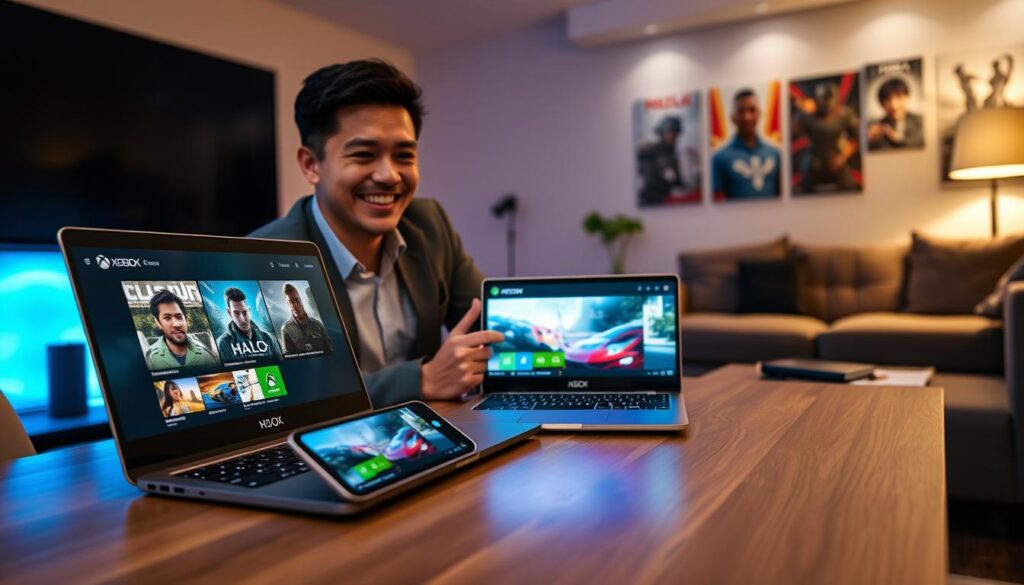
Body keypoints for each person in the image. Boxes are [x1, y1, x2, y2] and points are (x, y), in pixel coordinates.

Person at [250, 59, 503, 407]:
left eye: (404, 156)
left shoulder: (429, 223)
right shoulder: (266, 257)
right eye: (364, 155)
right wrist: (422, 379)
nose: (389, 176)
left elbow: (490, 323)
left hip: (432, 438)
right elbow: (292, 390)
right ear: (311, 165)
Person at [712, 89, 781, 200]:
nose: (747, 117)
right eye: (741, 111)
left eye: (752, 110)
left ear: (759, 114)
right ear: (733, 117)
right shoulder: (719, 158)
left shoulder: (775, 154)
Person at [792, 82, 860, 193]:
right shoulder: (808, 115)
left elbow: (858, 137)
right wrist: (800, 111)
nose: (828, 106)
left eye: (830, 101)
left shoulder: (844, 114)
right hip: (814, 156)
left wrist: (842, 156)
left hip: (836, 155)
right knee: (803, 188)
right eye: (824, 102)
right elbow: (790, 133)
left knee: (850, 186)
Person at [144, 289, 220, 371]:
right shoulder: (150, 359)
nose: (176, 324)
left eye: (179, 317)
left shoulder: (205, 354)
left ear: (185, 319)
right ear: (158, 322)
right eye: (167, 318)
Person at [215, 286, 283, 362]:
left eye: (244, 312)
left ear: (249, 310)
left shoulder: (269, 338)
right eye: (236, 313)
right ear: (229, 312)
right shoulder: (222, 345)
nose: (243, 319)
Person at [867, 78, 923, 150]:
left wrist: (899, 140)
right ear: (881, 103)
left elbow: (920, 143)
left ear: (908, 97)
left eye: (898, 97)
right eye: (887, 100)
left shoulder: (920, 121)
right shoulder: (875, 126)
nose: (894, 105)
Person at [279, 282, 333, 354]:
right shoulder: (286, 329)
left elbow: (331, 350)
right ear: (288, 304)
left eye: (296, 300)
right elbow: (290, 358)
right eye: (291, 302)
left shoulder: (318, 324)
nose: (294, 305)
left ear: (301, 300)